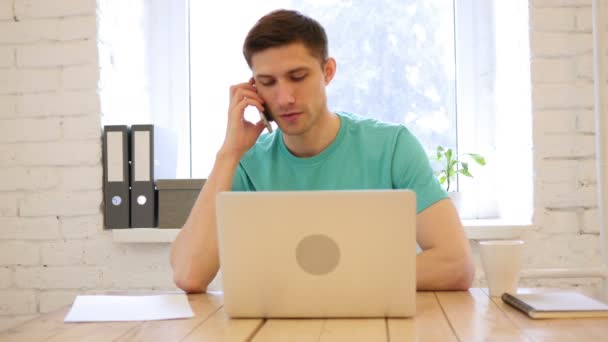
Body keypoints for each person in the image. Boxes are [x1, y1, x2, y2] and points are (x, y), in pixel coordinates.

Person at [170, 9, 474, 293]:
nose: (285, 97)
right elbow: (190, 274)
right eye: (268, 82)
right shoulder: (246, 164)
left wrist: (329, 279)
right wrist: (228, 154)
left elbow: (456, 264)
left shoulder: (392, 146)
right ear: (253, 90)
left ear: (327, 71)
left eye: (298, 77)